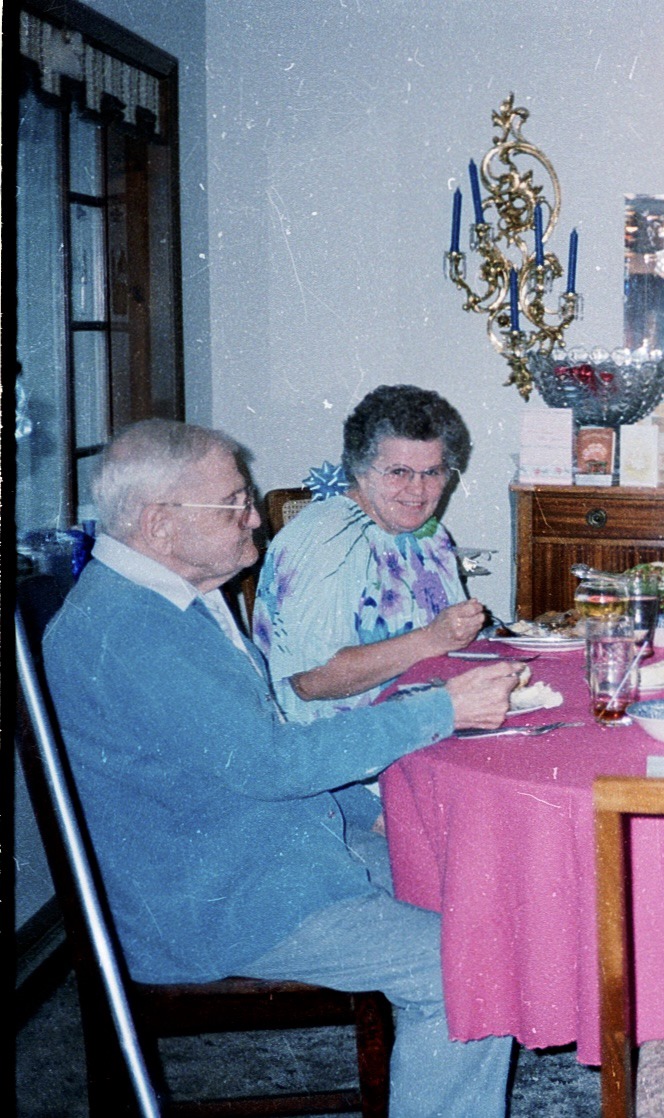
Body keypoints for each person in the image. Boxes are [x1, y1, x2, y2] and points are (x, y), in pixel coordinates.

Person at [42, 420, 522, 1117]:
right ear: (161, 524)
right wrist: (441, 711)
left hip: (263, 851)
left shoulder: (170, 598)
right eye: (235, 503)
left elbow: (232, 760)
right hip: (220, 903)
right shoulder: (130, 629)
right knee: (468, 965)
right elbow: (268, 764)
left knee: (473, 876)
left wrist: (367, 810)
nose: (255, 519)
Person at [253, 384, 484, 722]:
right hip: (338, 748)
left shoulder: (428, 533)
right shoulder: (326, 538)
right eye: (398, 472)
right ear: (360, 470)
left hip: (419, 723)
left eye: (432, 472)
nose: (417, 490)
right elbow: (311, 681)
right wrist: (431, 640)